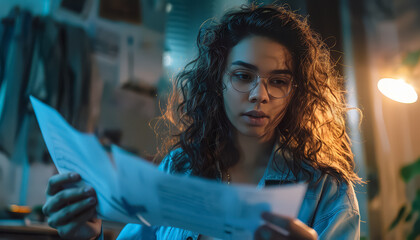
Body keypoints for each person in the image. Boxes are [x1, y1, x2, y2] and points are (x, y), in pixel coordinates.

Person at [42, 4, 362, 240]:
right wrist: (87, 236)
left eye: (278, 81)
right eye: (243, 76)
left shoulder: (326, 191)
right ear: (217, 80)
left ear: (295, 91)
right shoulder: (180, 166)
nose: (259, 95)